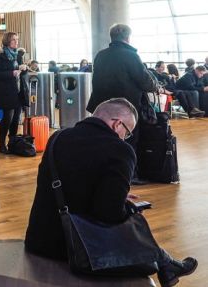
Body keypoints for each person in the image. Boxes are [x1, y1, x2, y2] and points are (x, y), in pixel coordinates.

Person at [25, 98, 198, 287]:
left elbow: (70, 182)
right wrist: (125, 206)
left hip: (38, 239)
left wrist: (114, 195)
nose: (125, 138)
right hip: (75, 248)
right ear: (117, 124)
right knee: (138, 233)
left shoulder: (58, 137)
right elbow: (108, 214)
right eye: (128, 133)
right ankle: (166, 262)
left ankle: (168, 265)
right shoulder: (120, 150)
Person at [86, 24, 157, 156]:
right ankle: (127, 173)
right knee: (127, 142)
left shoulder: (101, 55)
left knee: (102, 138)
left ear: (111, 37)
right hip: (124, 108)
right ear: (128, 38)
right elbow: (145, 82)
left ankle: (102, 169)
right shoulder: (131, 55)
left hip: (101, 107)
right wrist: (155, 85)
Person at [0, 32, 28, 154]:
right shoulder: (0, 55)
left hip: (17, 90)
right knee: (8, 118)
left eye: (17, 39)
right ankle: (2, 143)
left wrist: (24, 69)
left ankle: (11, 142)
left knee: (16, 117)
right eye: (13, 40)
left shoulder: (18, 55)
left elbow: (21, 74)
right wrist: (12, 73)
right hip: (6, 91)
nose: (16, 42)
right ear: (7, 41)